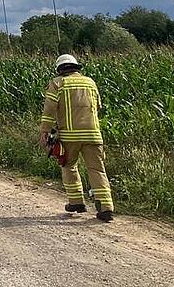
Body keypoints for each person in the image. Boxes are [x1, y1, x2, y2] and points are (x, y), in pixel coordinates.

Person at [39, 54, 114, 222]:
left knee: (68, 166)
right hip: (94, 135)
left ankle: (76, 202)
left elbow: (49, 109)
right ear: (76, 66)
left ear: (60, 69)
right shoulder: (90, 82)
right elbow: (98, 106)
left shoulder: (58, 83)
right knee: (97, 170)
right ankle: (106, 208)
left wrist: (45, 131)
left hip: (70, 136)